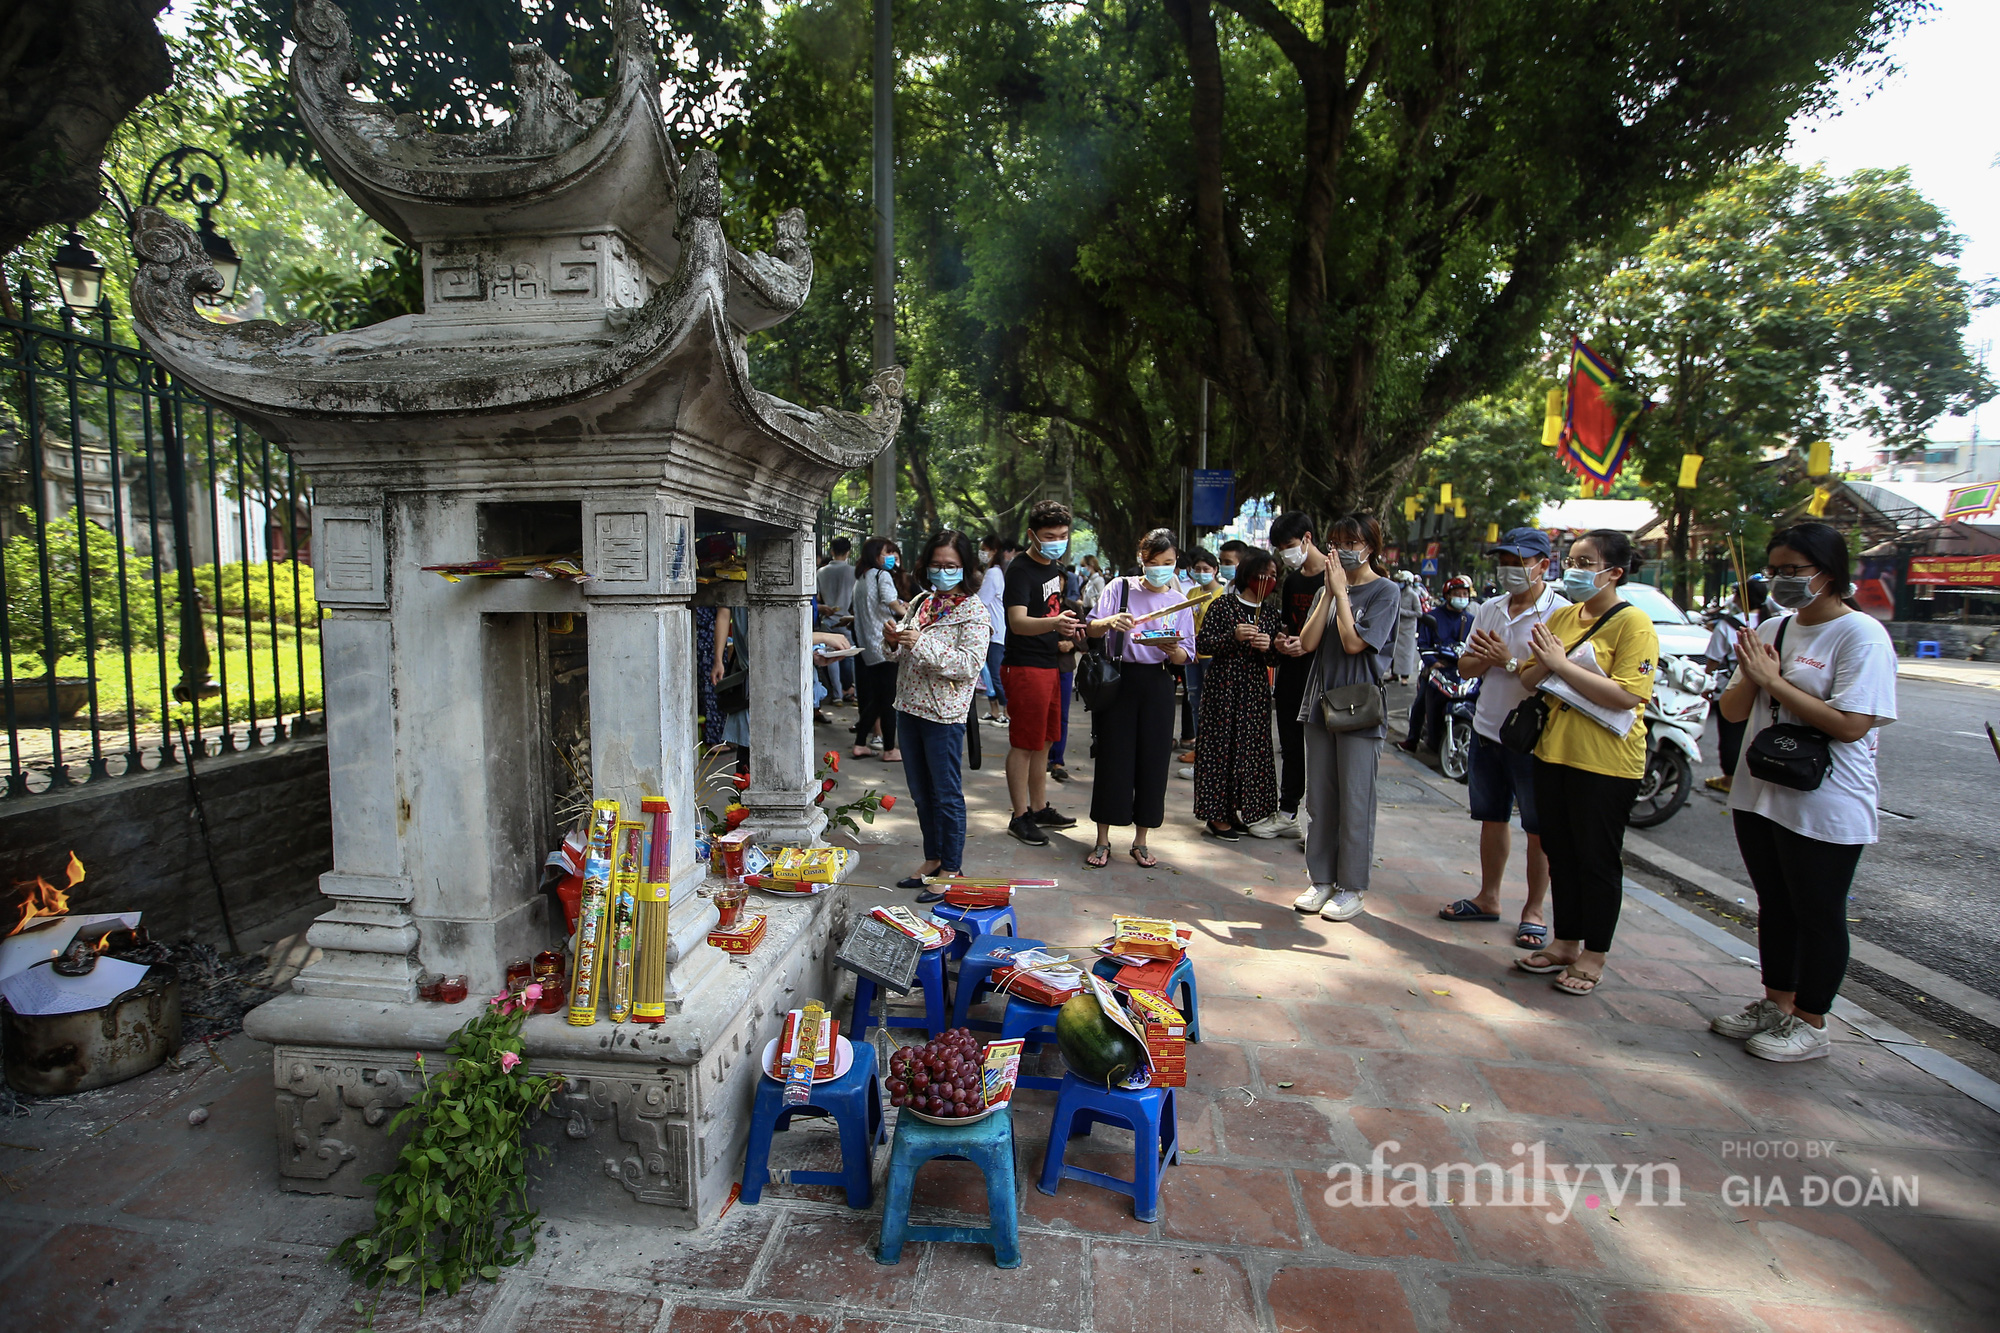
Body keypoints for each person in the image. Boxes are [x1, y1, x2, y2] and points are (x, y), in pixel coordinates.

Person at [1707, 524, 1897, 1062]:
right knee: (1776, 904)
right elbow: (1733, 711)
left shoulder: (1860, 636)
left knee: (1817, 910)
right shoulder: (1773, 625)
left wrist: (1774, 680)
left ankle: (1811, 1021)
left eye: (1794, 571)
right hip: (1761, 789)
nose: (1781, 580)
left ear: (1829, 574)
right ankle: (1776, 1003)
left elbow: (1852, 724)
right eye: (1775, 570)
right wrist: (1752, 674)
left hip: (1827, 798)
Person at [1513, 529, 1660, 995]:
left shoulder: (1633, 624)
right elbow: (1530, 680)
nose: (1573, 570)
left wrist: (1561, 666)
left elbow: (1627, 695)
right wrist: (1543, 663)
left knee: (1596, 859)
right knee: (1562, 853)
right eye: (1571, 560)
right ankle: (1566, 941)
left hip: (1607, 762)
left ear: (1614, 572)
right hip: (1553, 752)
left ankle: (1595, 953)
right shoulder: (1564, 616)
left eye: (1585, 562)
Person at [1438, 528, 1563, 949]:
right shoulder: (1490, 609)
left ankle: (1534, 911)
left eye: (1519, 562)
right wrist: (1497, 661)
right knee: (1492, 818)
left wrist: (1506, 661)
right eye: (1505, 562)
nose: (1510, 570)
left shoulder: (1559, 613)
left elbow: (1548, 675)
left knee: (1538, 827)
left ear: (1543, 565)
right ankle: (1488, 897)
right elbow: (1469, 665)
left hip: (1534, 736)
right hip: (1487, 727)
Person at [1292, 514, 1402, 921]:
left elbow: (1356, 644)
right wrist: (1329, 593)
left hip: (1358, 707)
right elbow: (1307, 642)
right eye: (1336, 541)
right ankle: (1320, 878)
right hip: (1320, 703)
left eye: (1351, 542)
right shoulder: (1330, 586)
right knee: (1320, 799)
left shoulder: (1386, 591)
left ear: (1371, 546)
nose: (1343, 549)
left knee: (1356, 801)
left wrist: (1341, 596)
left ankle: (1352, 887)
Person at [884, 531, 994, 889]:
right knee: (920, 792)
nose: (942, 572)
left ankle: (952, 867)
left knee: (946, 793)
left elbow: (968, 666)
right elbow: (901, 654)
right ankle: (932, 857)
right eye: (936, 565)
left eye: (950, 566)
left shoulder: (974, 611)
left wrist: (922, 643)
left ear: (966, 568)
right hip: (908, 707)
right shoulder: (920, 603)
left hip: (943, 715)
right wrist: (892, 642)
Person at [1080, 529, 1195, 867]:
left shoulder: (1179, 600)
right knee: (1113, 758)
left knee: (1154, 760)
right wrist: (1110, 621)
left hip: (1159, 684)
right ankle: (1102, 840)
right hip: (1120, 681)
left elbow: (1186, 655)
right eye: (1153, 562)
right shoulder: (1121, 588)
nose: (1161, 569)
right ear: (1141, 561)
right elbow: (1092, 629)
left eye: (1169, 563)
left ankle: (1141, 840)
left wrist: (1172, 649)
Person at [1002, 502, 1085, 844]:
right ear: (1031, 535)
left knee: (1045, 741)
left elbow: (1048, 612)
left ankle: (1039, 808)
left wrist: (1064, 632)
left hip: (1050, 663)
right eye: (1050, 536)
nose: (1057, 542)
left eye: (1063, 536)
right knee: (1024, 743)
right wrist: (1055, 623)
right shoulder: (1020, 570)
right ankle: (1019, 815)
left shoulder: (1053, 567)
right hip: (1024, 666)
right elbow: (1017, 622)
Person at [1194, 549, 1284, 840]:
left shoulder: (1270, 613)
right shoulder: (1223, 605)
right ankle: (1216, 816)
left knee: (1248, 751)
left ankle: (1237, 809)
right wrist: (1233, 637)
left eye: (1273, 576)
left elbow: (1275, 660)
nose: (1268, 581)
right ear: (1248, 575)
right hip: (1223, 688)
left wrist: (1268, 647)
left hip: (1254, 692)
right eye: (1263, 575)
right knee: (1220, 749)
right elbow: (1203, 644)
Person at [1266, 512, 1326, 839]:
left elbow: (1343, 632)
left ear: (1307, 538)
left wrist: (1309, 646)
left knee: (1319, 748)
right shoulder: (1292, 581)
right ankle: (1287, 810)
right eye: (1280, 548)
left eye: (1289, 545)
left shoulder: (1335, 578)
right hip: (1291, 674)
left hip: (1321, 675)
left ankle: (1319, 822)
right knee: (1290, 744)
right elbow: (1290, 624)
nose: (1286, 554)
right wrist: (1283, 640)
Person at [1701, 575, 1766, 794]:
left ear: (1740, 598)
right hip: (1766, 690)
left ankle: (1730, 778)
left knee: (1731, 734)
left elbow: (1713, 659)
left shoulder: (1728, 626)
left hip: (1732, 686)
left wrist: (1706, 684)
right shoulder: (1774, 622)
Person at [1398, 574, 1476, 754]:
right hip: (1437, 669)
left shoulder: (1470, 619)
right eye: (1458, 594)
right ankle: (1412, 740)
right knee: (1421, 701)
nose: (1462, 598)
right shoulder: (1433, 617)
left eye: (1465, 594)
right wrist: (1432, 663)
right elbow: (1423, 644)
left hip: (1461, 670)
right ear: (1448, 595)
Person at [851, 536, 907, 761]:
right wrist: (911, 614)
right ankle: (890, 749)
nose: (892, 557)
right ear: (876, 555)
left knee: (877, 698)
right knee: (888, 700)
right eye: (887, 552)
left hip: (867, 646)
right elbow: (891, 602)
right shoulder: (882, 575)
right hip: (885, 644)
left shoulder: (861, 579)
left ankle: (859, 744)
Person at [977, 536, 1012, 725]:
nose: (982, 553)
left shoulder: (993, 574)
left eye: (984, 549)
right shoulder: (994, 572)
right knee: (989, 674)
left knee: (995, 674)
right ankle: (994, 710)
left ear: (993, 551)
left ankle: (1007, 712)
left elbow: (981, 601)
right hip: (992, 632)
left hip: (995, 633)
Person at [1393, 571, 1424, 682]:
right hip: (1397, 627)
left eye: (1401, 582)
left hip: (1408, 628)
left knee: (1406, 654)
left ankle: (1405, 676)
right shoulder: (1398, 593)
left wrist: (1402, 612)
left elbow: (1419, 613)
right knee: (1394, 652)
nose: (1399, 583)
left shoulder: (1413, 595)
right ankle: (1395, 673)